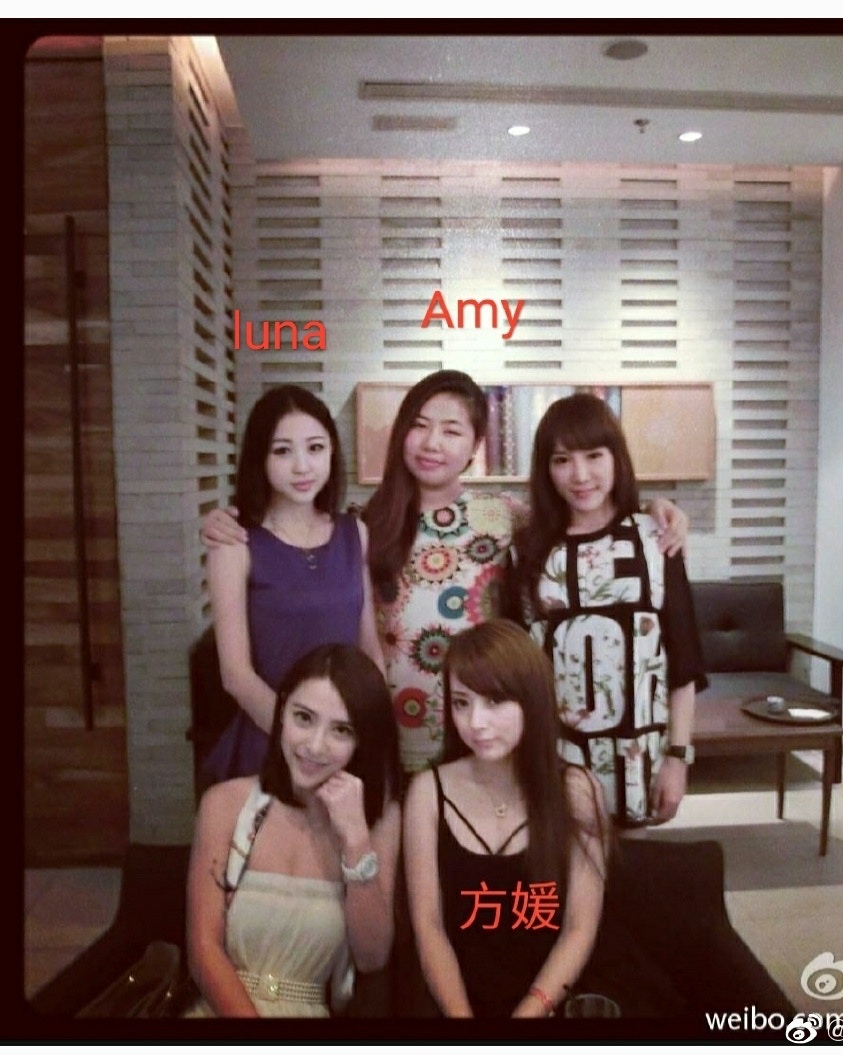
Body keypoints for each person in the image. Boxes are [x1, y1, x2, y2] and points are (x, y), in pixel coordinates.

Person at [203, 372, 689, 778]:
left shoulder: (504, 515)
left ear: (476, 446)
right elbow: (299, 542)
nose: (432, 443)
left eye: (452, 431)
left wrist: (653, 510)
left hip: (479, 723)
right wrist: (225, 521)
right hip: (384, 725)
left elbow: (581, 519)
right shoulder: (365, 522)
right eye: (420, 426)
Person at [507, 392, 708, 828]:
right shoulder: (528, 550)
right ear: (546, 469)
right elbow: (519, 665)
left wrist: (678, 758)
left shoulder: (656, 538)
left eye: (594, 455)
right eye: (562, 460)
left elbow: (683, 663)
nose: (580, 475)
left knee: (633, 864)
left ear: (617, 457)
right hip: (558, 754)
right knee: (564, 862)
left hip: (640, 754)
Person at [402, 619, 610, 1017]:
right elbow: (428, 926)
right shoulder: (428, 791)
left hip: (552, 997)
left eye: (495, 701)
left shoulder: (577, 791)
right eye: (461, 703)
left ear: (531, 700)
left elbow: (579, 928)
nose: (475, 722)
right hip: (455, 999)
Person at [185, 643, 402, 1017]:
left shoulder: (379, 817)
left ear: (363, 740)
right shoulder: (224, 803)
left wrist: (355, 840)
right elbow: (203, 950)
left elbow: (372, 957)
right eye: (304, 718)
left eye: (341, 730)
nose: (314, 746)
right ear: (282, 712)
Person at [201, 385, 383, 787]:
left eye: (315, 448)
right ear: (260, 459)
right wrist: (304, 744)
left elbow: (369, 648)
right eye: (282, 451)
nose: (302, 466)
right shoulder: (234, 544)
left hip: (346, 743)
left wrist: (362, 734)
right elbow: (236, 675)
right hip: (270, 739)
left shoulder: (355, 533)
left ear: (332, 452)